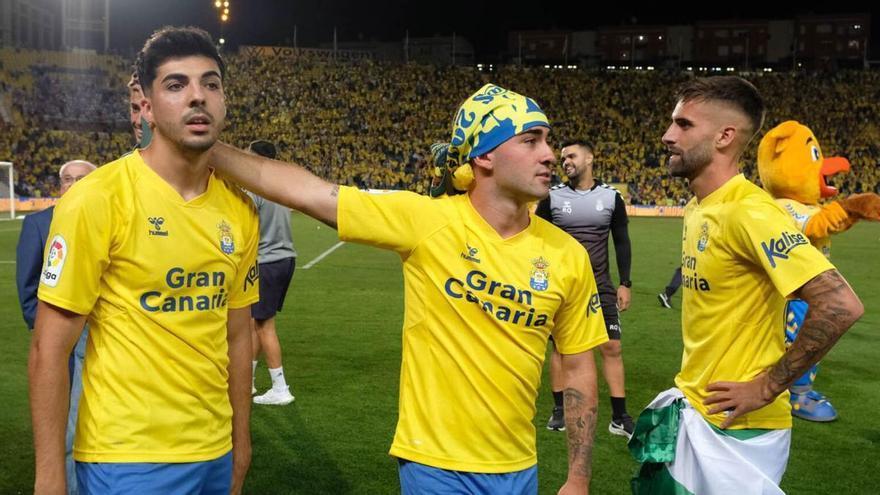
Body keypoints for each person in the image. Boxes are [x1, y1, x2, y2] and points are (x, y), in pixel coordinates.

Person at [210, 83, 608, 494]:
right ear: (485, 155)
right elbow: (308, 192)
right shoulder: (425, 221)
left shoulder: (566, 255)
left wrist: (578, 477)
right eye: (530, 140)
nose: (549, 153)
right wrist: (207, 147)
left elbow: (578, 366)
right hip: (434, 467)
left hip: (520, 468)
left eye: (547, 140)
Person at [29, 26, 259, 495]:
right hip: (127, 458)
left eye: (210, 83)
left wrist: (240, 441)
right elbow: (48, 350)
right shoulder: (100, 197)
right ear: (147, 107)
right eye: (176, 85)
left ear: (224, 100)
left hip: (213, 453)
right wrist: (50, 475)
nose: (198, 97)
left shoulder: (239, 208)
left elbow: (238, 336)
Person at [629, 76, 863, 494]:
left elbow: (840, 304)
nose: (667, 136)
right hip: (698, 407)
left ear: (724, 136)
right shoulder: (698, 208)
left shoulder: (750, 211)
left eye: (683, 125)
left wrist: (768, 387)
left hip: (742, 430)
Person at [536, 140, 635, 438]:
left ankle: (619, 416)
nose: (565, 161)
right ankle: (559, 411)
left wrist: (625, 282)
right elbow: (536, 239)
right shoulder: (551, 198)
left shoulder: (610, 197)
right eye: (563, 157)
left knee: (612, 347)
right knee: (562, 350)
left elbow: (621, 240)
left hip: (601, 284)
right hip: (563, 286)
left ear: (589, 158)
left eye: (571, 155)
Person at [17, 159, 96, 495]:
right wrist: (62, 333)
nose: (74, 184)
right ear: (59, 185)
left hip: (116, 344)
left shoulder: (112, 220)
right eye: (68, 179)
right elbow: (29, 294)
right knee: (68, 430)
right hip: (68, 345)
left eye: (82, 179)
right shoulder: (39, 224)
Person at [246, 139, 297, 406]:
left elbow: (245, 228)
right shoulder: (279, 186)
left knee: (264, 326)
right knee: (257, 322)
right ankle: (249, 381)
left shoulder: (255, 188)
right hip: (286, 258)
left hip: (267, 262)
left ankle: (280, 387)